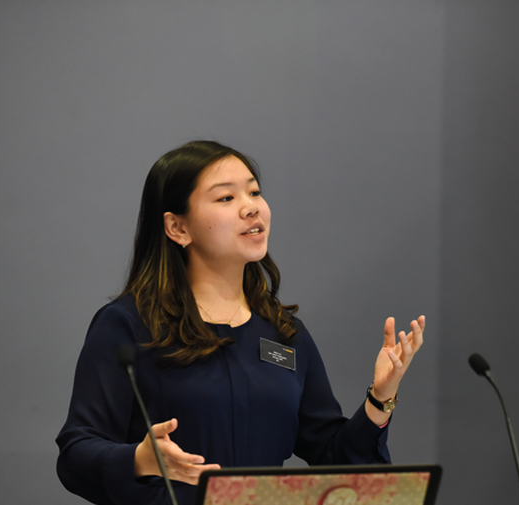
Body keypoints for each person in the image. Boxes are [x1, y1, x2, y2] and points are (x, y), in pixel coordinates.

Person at [56, 140, 425, 505]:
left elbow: (336, 460)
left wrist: (380, 398)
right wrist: (138, 460)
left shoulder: (284, 333)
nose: (252, 208)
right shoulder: (128, 325)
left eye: (254, 192)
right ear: (177, 228)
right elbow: (76, 454)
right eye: (226, 198)